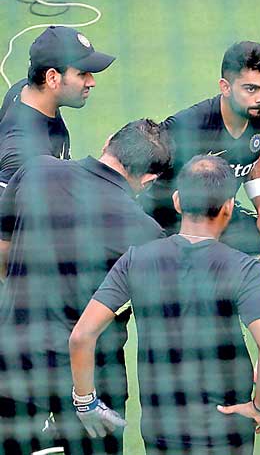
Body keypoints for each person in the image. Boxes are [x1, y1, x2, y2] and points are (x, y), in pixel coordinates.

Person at [142, 41, 260, 399]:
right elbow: (145, 181)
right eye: (251, 89)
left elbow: (254, 153)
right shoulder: (186, 126)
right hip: (172, 229)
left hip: (224, 217)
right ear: (224, 86)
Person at [70, 156, 260, 455]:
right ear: (229, 207)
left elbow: (81, 336)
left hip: (162, 426)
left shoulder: (134, 261)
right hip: (228, 425)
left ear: (178, 201)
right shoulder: (244, 268)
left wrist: (86, 401)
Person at [0, 119, 170, 455]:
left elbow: (2, 254)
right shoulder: (146, 235)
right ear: (148, 181)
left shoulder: (34, 171)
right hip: (92, 380)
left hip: (14, 359)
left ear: (108, 141)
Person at [0, 25, 115, 186]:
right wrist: (106, 169)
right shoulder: (24, 155)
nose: (92, 82)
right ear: (52, 78)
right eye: (82, 74)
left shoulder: (27, 90)